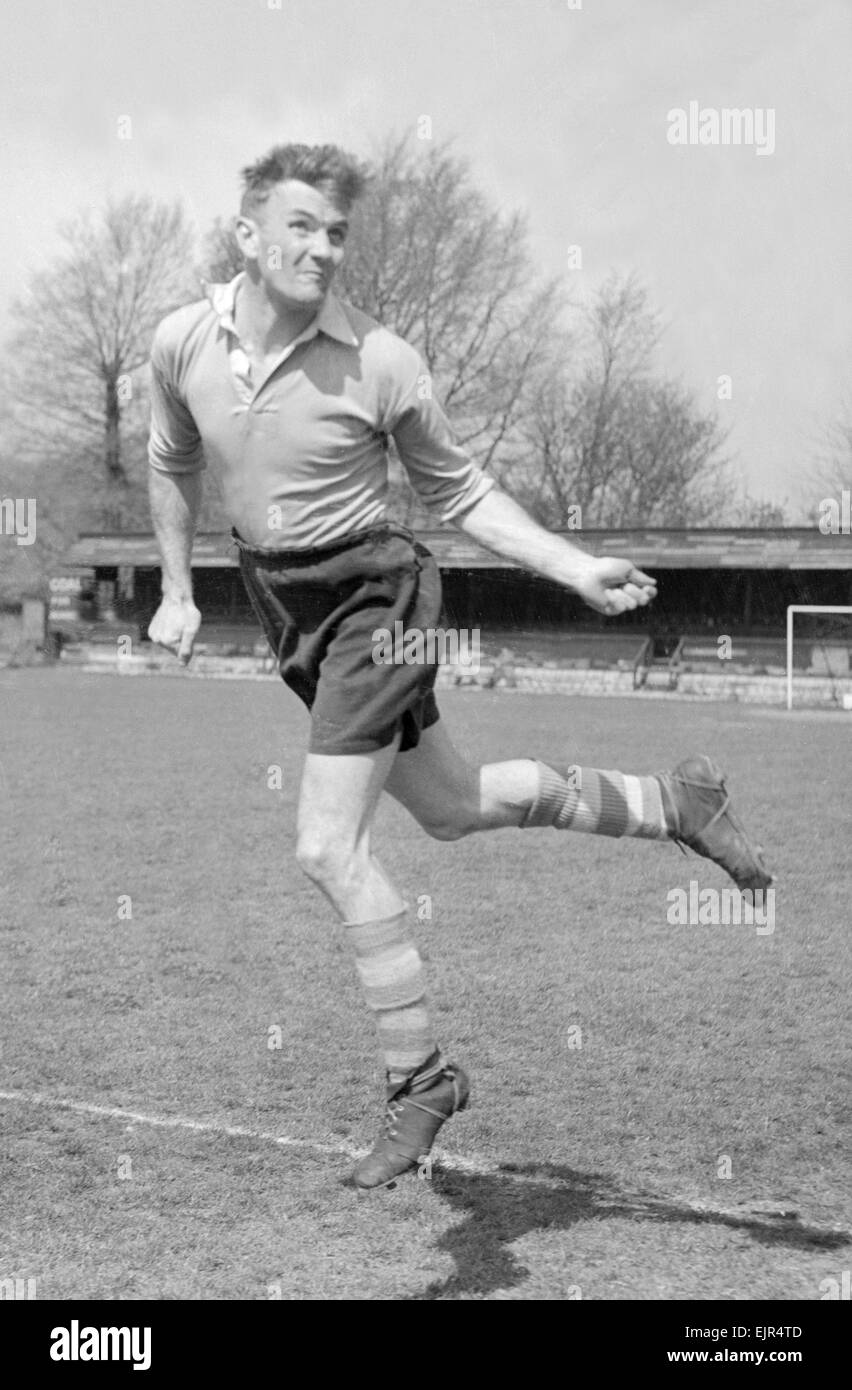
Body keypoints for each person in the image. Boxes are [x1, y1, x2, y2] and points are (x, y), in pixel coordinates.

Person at [147, 143, 772, 1191]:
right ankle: (680, 801)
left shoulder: (382, 360)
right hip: (285, 604)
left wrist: (574, 567)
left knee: (324, 846)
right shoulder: (180, 344)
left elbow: (465, 493)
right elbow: (171, 461)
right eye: (301, 225)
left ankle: (421, 1079)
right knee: (453, 804)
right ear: (247, 234)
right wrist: (173, 588)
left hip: (376, 601)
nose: (324, 247)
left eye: (338, 231)